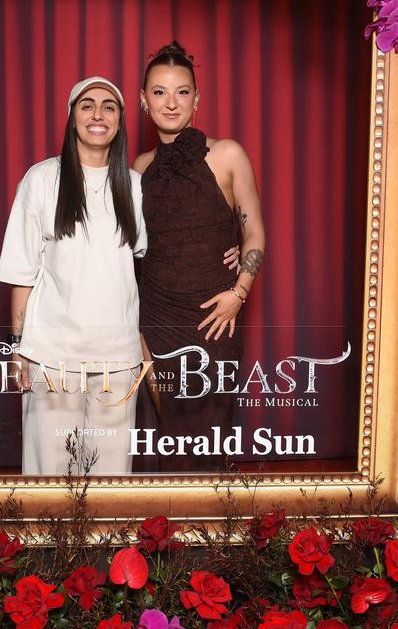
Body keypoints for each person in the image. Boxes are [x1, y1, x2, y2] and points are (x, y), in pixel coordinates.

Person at [0, 77, 146, 476]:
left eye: (109, 106)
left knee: (111, 480)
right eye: (87, 105)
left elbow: (155, 263)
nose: (98, 114)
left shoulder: (133, 187)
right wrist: (18, 349)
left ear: (120, 121)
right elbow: (21, 271)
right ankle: (48, 543)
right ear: (72, 118)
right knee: (50, 476)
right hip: (51, 357)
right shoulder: (42, 179)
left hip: (119, 358)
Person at [134, 42, 265, 473]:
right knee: (169, 435)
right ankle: (171, 536)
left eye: (182, 92)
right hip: (155, 319)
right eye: (159, 92)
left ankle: (213, 532)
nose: (171, 103)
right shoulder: (139, 166)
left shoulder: (227, 153)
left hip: (215, 315)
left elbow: (254, 232)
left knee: (211, 432)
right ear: (143, 101)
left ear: (197, 99)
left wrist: (239, 293)